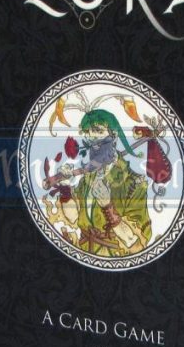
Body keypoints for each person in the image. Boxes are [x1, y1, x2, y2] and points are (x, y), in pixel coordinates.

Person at [55, 109, 152, 256]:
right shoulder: (87, 178)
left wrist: (108, 208)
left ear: (114, 136)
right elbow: (73, 218)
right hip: (84, 253)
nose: (93, 139)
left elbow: (139, 243)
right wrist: (65, 189)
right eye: (88, 133)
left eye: (98, 131)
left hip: (115, 259)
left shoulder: (134, 184)